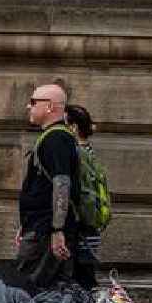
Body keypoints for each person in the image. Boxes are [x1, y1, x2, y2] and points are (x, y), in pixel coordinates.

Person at [15, 84, 80, 290]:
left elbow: (62, 185)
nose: (28, 106)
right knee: (45, 291)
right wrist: (25, 225)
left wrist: (57, 230)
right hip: (40, 228)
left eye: (33, 102)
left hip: (45, 233)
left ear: (50, 106)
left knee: (30, 289)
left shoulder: (56, 139)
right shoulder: (54, 137)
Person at [64, 104, 101, 290]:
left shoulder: (78, 154)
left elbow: (85, 194)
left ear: (73, 127)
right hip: (91, 226)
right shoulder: (88, 151)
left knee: (82, 279)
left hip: (83, 228)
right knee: (85, 275)